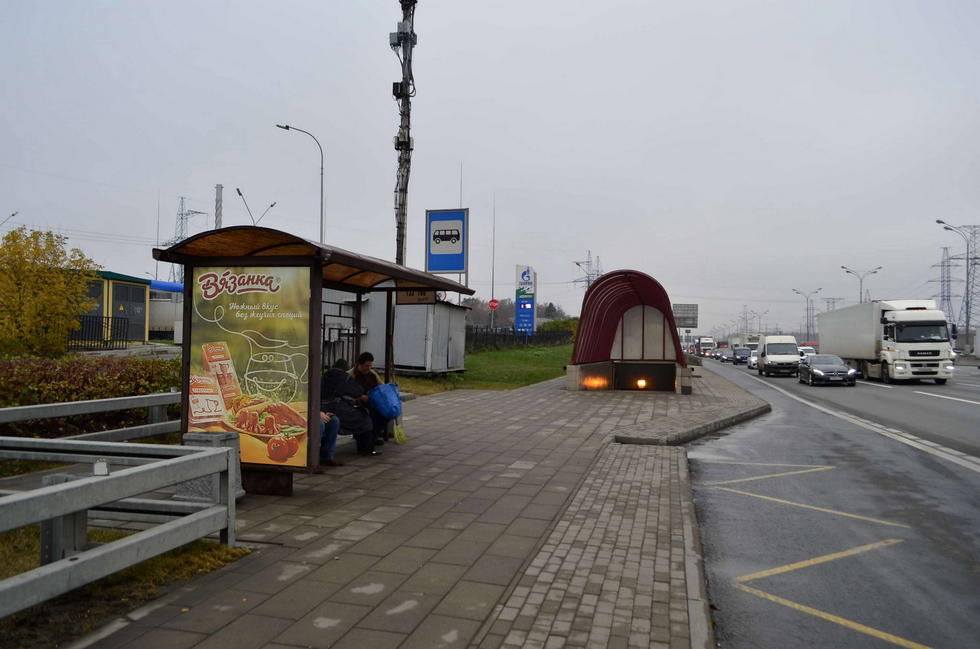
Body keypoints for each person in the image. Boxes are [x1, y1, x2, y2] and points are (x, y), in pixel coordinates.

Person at [321, 358, 380, 457]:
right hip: (337, 409)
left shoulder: (325, 376)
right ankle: (367, 449)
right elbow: (358, 391)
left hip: (323, 408)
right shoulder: (344, 377)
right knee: (364, 417)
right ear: (345, 368)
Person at [348, 352, 389, 445]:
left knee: (386, 412)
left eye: (370, 366)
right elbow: (345, 394)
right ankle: (367, 439)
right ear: (359, 364)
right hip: (356, 405)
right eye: (367, 366)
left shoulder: (372, 373)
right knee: (371, 414)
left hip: (371, 401)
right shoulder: (350, 375)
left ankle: (373, 437)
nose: (369, 368)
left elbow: (381, 387)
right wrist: (359, 398)